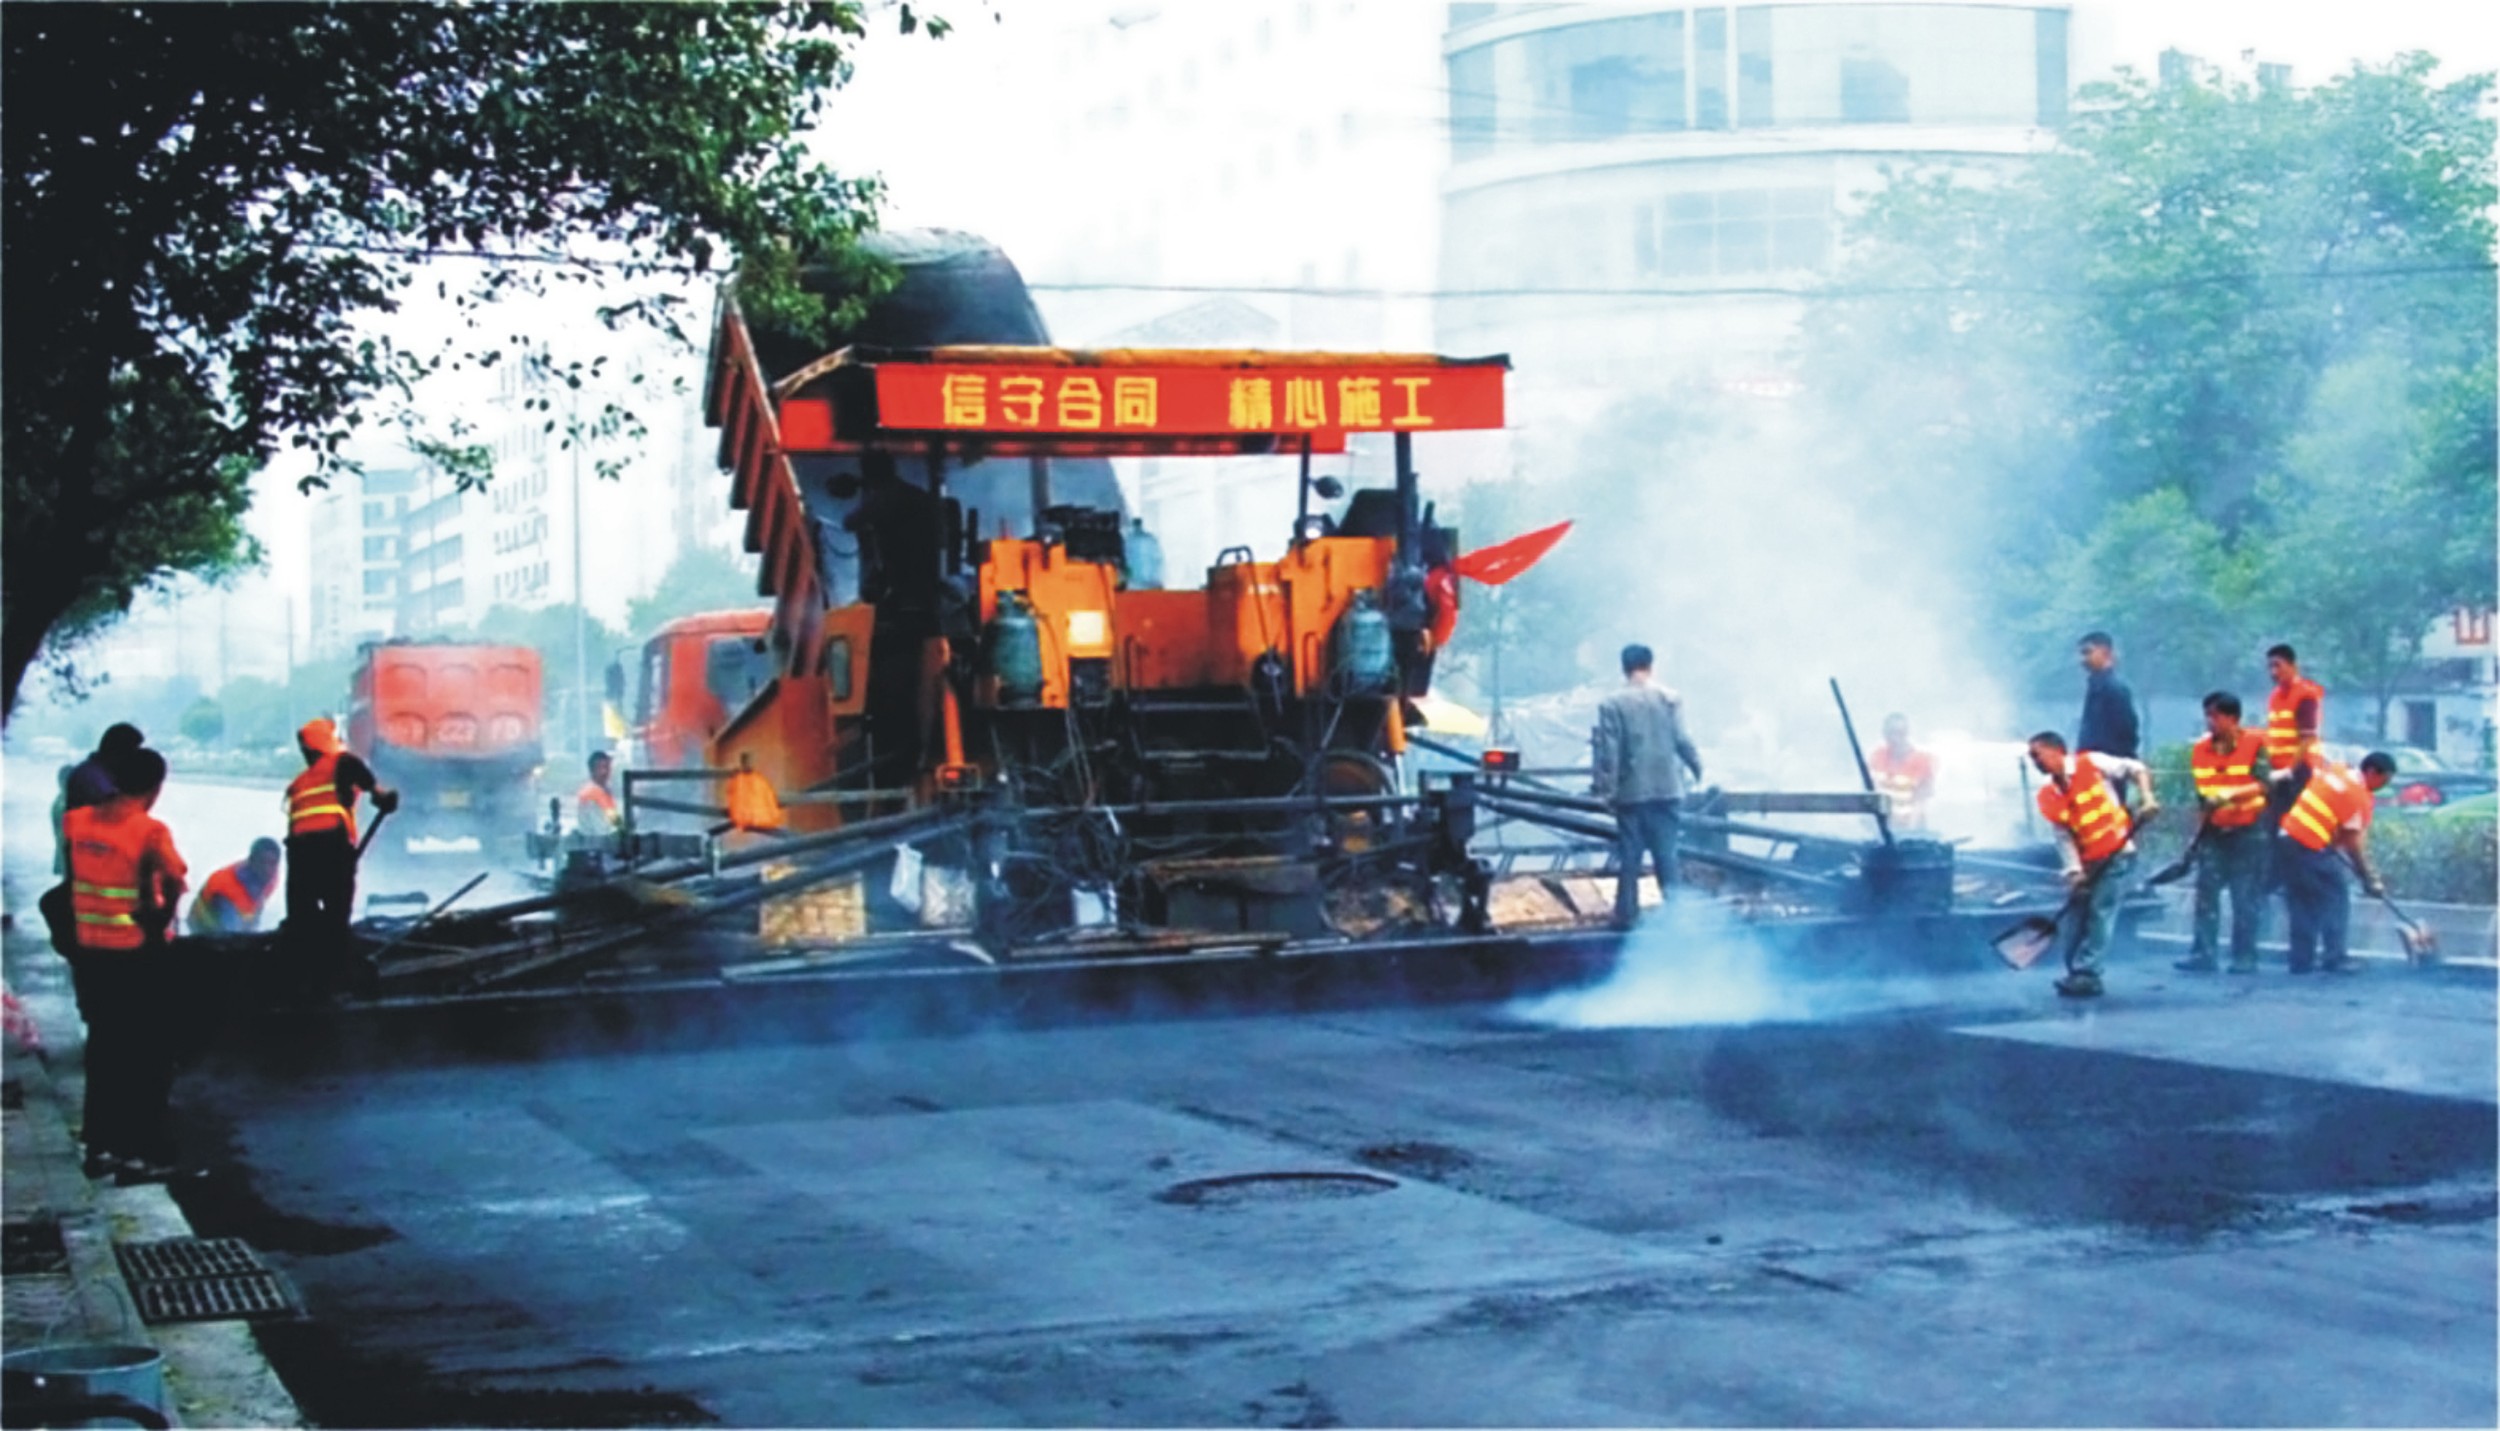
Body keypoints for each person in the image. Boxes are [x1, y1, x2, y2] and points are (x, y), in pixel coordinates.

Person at [62, 745, 188, 1182]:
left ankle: (100, 1148)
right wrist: (161, 915)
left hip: (90, 953)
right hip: (136, 954)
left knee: (104, 1050)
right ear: (154, 788)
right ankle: (141, 1154)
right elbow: (176, 877)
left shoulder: (77, 822)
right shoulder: (150, 831)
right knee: (147, 1056)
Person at [2027, 730, 2159, 999]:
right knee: (2076, 915)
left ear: (2056, 751)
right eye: (2032, 757)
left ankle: (2088, 973)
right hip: (2089, 862)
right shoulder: (2049, 795)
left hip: (2117, 851)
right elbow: (2063, 837)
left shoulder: (2091, 763)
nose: (2035, 762)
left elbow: (2136, 769)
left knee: (2101, 910)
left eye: (2037, 755)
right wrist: (2074, 872)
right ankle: (2075, 970)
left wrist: (2147, 798)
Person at [1591, 643, 1704, 929]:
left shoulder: (1612, 704)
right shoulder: (1670, 698)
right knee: (1667, 854)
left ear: (1624, 667)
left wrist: (1606, 792)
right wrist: (1696, 767)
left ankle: (1627, 915)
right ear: (1650, 665)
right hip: (1668, 789)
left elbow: (1609, 753)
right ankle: (1677, 915)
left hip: (1632, 792)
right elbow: (1682, 739)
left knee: (1630, 855)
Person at [282, 717, 397, 967]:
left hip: (299, 857)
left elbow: (295, 830)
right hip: (331, 849)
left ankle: (304, 969)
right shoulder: (343, 762)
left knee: (302, 920)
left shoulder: (298, 784)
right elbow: (377, 792)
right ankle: (335, 970)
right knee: (336, 917)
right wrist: (386, 799)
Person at [2172, 692, 2271, 974]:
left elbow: (2264, 784)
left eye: (2215, 715)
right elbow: (2201, 797)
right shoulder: (2201, 751)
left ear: (2233, 718)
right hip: (2214, 831)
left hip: (2248, 831)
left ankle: (2245, 957)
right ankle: (2203, 954)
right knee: (2206, 894)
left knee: (2244, 897)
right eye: (2208, 715)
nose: (2210, 721)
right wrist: (2195, 837)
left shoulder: (2255, 744)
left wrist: (2230, 794)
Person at [2277, 749, 2393, 975]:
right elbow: (2354, 845)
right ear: (2372, 772)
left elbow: (2330, 812)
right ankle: (2335, 957)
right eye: (2384, 780)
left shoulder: (2338, 771)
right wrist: (2369, 879)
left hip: (2287, 839)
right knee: (2336, 897)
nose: (2384, 786)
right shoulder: (2358, 796)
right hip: (2309, 845)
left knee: (2302, 902)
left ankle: (2301, 960)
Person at [188, 838, 284, 936]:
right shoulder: (227, 889)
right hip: (203, 926)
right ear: (251, 861)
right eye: (262, 863)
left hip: (233, 920)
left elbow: (257, 907)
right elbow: (231, 934)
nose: (268, 870)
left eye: (273, 863)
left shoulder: (271, 879)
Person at [2074, 632, 2140, 759]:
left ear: (2105, 651)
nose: (2083, 659)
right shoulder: (2095, 686)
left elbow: (2126, 728)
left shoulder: (2114, 687)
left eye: (2088, 652)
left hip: (2109, 761)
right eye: (2082, 654)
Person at [1868, 713, 1937, 832]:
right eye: (1891, 733)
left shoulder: (1922, 761)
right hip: (1880, 828)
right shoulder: (1877, 756)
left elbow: (1920, 804)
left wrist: (1909, 833)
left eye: (1900, 733)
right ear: (1884, 734)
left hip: (1909, 829)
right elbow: (1869, 794)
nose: (1895, 738)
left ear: (1906, 734)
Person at [2263, 644, 2325, 774]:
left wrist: (2289, 769)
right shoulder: (2274, 696)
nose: (2273, 672)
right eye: (2270, 667)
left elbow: (2307, 739)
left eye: (2277, 665)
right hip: (2278, 765)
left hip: (2302, 767)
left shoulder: (2305, 695)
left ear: (2294, 666)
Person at [64, 722, 145, 811]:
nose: (136, 759)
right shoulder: (92, 776)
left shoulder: (98, 771)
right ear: (121, 751)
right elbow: (114, 808)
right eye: (134, 752)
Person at [577, 751, 621, 838]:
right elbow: (600, 832)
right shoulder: (590, 793)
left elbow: (615, 821)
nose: (605, 772)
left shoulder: (605, 791)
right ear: (592, 771)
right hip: (595, 842)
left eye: (607, 767)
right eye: (601, 768)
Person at [1124, 516, 1165, 590]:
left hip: (1136, 584)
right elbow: (1158, 559)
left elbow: (1126, 561)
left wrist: (1127, 579)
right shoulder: (1149, 538)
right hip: (1149, 582)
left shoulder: (1128, 539)